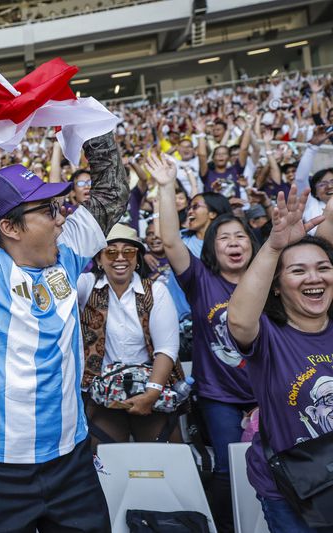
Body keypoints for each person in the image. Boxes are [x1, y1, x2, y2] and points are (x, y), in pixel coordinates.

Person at [0, 51, 128, 531]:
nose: (62, 215)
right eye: (46, 210)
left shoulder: (71, 249)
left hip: (70, 461)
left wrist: (84, 120)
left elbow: (113, 190)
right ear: (11, 228)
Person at [146, 153, 259, 533]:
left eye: (240, 236)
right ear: (212, 249)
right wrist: (165, 187)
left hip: (271, 391)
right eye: (223, 238)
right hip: (220, 396)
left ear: (253, 245)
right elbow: (171, 239)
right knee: (229, 471)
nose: (233, 243)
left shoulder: (270, 283)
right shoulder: (200, 281)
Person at [225, 186, 333, 532]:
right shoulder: (269, 335)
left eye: (324, 268)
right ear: (276, 285)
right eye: (298, 271)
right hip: (293, 491)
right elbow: (239, 319)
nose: (314, 278)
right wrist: (273, 246)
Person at [78, 224, 181, 445]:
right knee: (105, 463)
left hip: (148, 386)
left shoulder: (156, 291)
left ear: (138, 258)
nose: (120, 258)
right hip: (101, 392)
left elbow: (166, 349)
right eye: (111, 251)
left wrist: (151, 395)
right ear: (98, 259)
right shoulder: (86, 286)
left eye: (129, 251)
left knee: (161, 459)